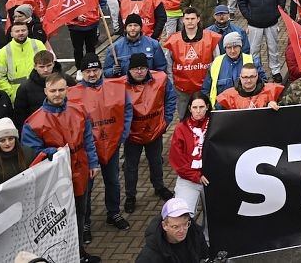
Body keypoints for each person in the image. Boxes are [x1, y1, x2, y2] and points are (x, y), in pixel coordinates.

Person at [20, 72, 102, 263]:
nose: (57, 94)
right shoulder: (34, 122)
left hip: (80, 171)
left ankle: (79, 252)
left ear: (67, 89)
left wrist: (93, 162)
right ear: (45, 91)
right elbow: (31, 153)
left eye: (61, 90)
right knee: (60, 219)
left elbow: (88, 139)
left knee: (80, 213)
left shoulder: (79, 110)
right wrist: (51, 151)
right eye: (53, 90)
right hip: (55, 180)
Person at [70, 53, 133, 239]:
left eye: (95, 70)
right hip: (87, 151)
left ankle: (113, 213)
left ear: (101, 70)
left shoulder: (116, 87)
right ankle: (85, 222)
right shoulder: (73, 93)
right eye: (88, 71)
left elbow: (127, 109)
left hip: (111, 145)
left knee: (112, 181)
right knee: (86, 188)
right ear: (82, 73)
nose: (92, 74)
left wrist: (123, 133)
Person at [116, 53, 176, 213]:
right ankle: (130, 195)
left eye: (142, 68)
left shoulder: (161, 79)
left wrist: (166, 120)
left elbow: (170, 98)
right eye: (135, 69)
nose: (140, 72)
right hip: (132, 135)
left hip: (154, 131)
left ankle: (159, 186)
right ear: (129, 70)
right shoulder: (119, 85)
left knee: (156, 161)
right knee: (130, 167)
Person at [161, 7, 220, 117]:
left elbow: (217, 61)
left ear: (198, 19)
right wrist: (171, 83)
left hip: (205, 88)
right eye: (187, 18)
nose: (190, 21)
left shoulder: (210, 37)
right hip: (182, 90)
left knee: (207, 117)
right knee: (183, 118)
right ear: (183, 20)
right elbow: (168, 64)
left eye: (193, 18)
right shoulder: (173, 40)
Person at [237, 0, 287, 83]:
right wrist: (249, 16)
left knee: (273, 48)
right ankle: (256, 71)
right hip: (254, 25)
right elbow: (241, 2)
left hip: (272, 23)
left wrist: (276, 15)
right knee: (254, 50)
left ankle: (275, 71)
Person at [168, 93, 210, 216]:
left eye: (201, 107)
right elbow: (177, 160)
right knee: (182, 214)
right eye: (195, 107)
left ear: (207, 107)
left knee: (215, 218)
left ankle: (207, 236)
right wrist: (196, 175)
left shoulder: (216, 124)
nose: (198, 111)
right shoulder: (181, 128)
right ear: (189, 108)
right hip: (188, 178)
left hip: (212, 178)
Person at [135, 197, 209, 263]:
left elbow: (205, 255)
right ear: (164, 225)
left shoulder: (196, 234)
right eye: (175, 227)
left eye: (185, 224)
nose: (182, 230)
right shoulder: (149, 257)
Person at [11, 51, 73, 130]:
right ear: (35, 66)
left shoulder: (67, 80)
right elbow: (20, 117)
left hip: (66, 127)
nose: (46, 70)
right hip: (38, 131)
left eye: (49, 65)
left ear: (53, 64)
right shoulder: (25, 88)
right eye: (41, 67)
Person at [0, 21, 46, 99]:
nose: (21, 33)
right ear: (11, 34)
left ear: (28, 31)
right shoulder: (3, 52)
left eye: (23, 30)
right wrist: (11, 93)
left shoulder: (38, 44)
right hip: (17, 95)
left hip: (40, 91)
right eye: (17, 31)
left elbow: (48, 67)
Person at [104, 14, 168, 77]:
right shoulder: (114, 48)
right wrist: (112, 71)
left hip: (148, 85)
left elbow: (161, 68)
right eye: (130, 25)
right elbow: (106, 71)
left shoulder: (154, 45)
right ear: (125, 28)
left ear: (141, 28)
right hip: (125, 86)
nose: (132, 28)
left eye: (136, 25)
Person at [216, 61, 284, 110]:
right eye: (245, 77)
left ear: (257, 76)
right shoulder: (227, 96)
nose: (248, 80)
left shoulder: (272, 91)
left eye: (252, 77)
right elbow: (219, 117)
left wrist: (275, 105)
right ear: (240, 77)